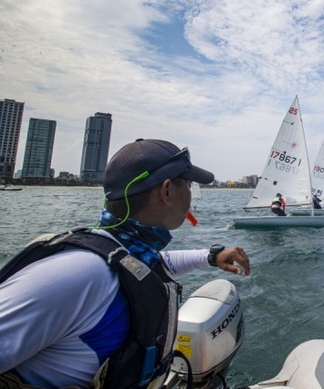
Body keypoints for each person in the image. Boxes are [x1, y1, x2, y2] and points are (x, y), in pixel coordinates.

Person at [0, 138, 251, 388]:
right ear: (167, 191)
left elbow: (147, 268)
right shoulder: (79, 273)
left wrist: (211, 256)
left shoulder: (123, 255)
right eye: (188, 185)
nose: (191, 197)